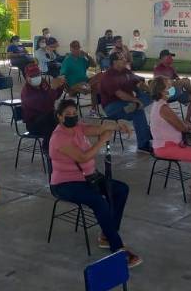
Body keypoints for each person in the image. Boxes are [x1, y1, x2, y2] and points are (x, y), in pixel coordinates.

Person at [49, 99, 141, 268]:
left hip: (88, 177)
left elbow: (99, 128)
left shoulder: (77, 127)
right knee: (99, 202)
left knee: (121, 190)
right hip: (65, 184)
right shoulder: (58, 138)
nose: (72, 116)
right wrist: (101, 141)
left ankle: (107, 234)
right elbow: (83, 157)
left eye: (74, 113)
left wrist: (118, 125)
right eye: (68, 114)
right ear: (59, 117)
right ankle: (117, 247)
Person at [149, 77, 191, 205]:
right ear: (162, 91)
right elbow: (182, 127)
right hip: (165, 148)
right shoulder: (163, 108)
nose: (172, 88)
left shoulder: (160, 104)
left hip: (168, 145)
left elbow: (180, 123)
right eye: (169, 86)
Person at [100, 52, 153, 152]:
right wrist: (136, 100)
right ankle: (144, 141)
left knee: (151, 97)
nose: (125, 60)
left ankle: (145, 135)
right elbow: (120, 94)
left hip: (127, 104)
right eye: (122, 58)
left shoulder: (126, 71)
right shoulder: (108, 76)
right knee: (138, 111)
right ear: (115, 62)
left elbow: (138, 83)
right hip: (113, 107)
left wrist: (151, 91)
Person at [21, 64, 66, 149]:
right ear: (27, 77)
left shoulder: (43, 83)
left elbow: (54, 97)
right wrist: (53, 88)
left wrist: (60, 86)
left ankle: (61, 146)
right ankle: (47, 147)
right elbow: (45, 106)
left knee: (63, 114)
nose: (36, 77)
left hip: (47, 118)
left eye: (38, 74)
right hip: (33, 123)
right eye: (32, 76)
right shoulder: (26, 92)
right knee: (52, 117)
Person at [153, 49, 191, 123]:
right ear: (163, 58)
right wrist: (176, 82)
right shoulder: (158, 68)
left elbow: (177, 79)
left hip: (176, 91)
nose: (171, 58)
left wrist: (180, 80)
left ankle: (187, 120)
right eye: (169, 57)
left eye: (171, 57)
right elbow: (160, 84)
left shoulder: (171, 68)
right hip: (166, 94)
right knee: (185, 81)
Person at [60, 40, 100, 115]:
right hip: (73, 84)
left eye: (78, 48)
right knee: (91, 88)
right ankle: (87, 88)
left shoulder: (82, 59)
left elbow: (94, 65)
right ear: (71, 49)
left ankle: (93, 111)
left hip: (85, 82)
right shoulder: (67, 60)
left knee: (99, 78)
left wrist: (87, 55)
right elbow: (62, 74)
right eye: (74, 48)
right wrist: (66, 86)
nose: (77, 50)